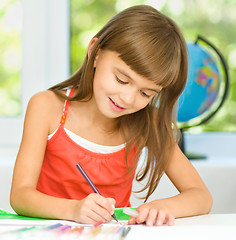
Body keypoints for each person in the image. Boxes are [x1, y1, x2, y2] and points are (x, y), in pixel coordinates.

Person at [10, 5, 212, 226]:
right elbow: (20, 196)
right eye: (121, 80)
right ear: (95, 53)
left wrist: (161, 207)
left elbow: (201, 196)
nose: (127, 98)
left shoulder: (148, 122)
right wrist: (74, 209)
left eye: (145, 93)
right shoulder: (46, 107)